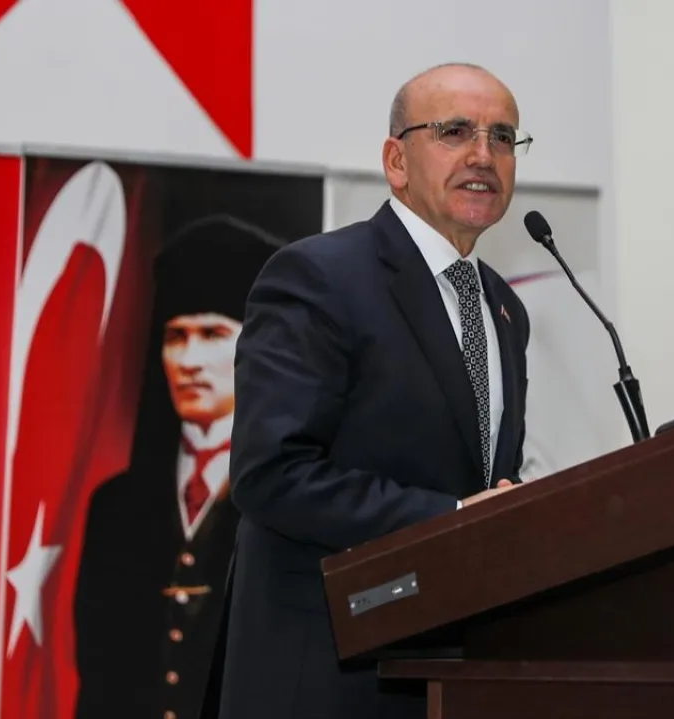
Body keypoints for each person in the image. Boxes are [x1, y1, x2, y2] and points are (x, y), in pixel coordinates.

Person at [208, 63, 534, 718]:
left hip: (445, 675)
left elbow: (476, 475)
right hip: (324, 676)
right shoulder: (318, 277)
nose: (483, 154)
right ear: (396, 161)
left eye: (502, 137)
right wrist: (454, 517)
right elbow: (272, 473)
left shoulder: (503, 307)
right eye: (455, 131)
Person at [73, 215, 285, 719]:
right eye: (176, 336)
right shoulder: (115, 506)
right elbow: (97, 679)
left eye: (212, 333)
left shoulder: (289, 496)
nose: (189, 360)